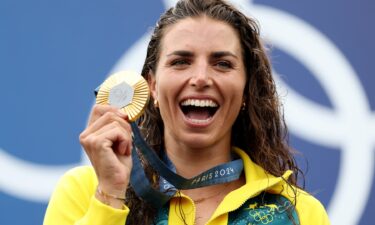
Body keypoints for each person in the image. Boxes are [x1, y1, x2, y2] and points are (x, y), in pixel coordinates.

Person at [43, 0, 330, 224]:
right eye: (181, 61)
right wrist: (110, 194)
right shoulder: (84, 191)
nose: (201, 78)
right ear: (152, 86)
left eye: (222, 64)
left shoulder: (298, 214)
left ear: (246, 91)